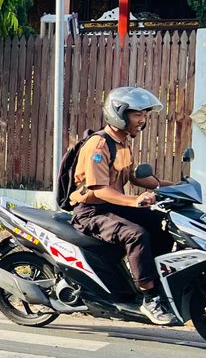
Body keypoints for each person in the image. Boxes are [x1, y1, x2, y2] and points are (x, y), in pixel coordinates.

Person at [69, 87, 174, 324]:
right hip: (91, 211)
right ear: (119, 114)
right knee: (136, 234)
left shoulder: (122, 142)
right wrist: (135, 201)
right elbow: (99, 189)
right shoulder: (98, 145)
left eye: (144, 115)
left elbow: (135, 176)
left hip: (112, 207)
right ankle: (149, 298)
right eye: (138, 114)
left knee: (162, 223)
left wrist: (173, 187)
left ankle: (156, 281)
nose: (143, 120)